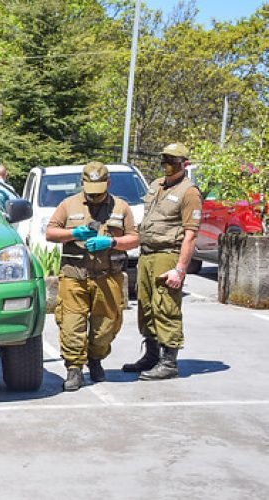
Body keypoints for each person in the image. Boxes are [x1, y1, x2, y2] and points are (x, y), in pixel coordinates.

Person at [46, 161, 139, 391]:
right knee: (71, 325)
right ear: (82, 183)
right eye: (90, 191)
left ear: (108, 183)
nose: (95, 196)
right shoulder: (68, 205)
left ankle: (95, 359)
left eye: (99, 190)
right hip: (74, 276)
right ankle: (74, 369)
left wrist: (112, 242)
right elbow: (50, 232)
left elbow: (135, 239)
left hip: (108, 277)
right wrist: (72, 233)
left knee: (105, 328)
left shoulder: (121, 207)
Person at [122, 143, 202, 380]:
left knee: (166, 306)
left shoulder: (189, 192)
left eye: (173, 163)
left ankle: (169, 363)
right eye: (164, 162)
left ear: (183, 164)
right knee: (146, 306)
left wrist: (180, 269)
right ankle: (151, 355)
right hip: (147, 255)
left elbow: (191, 234)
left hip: (168, 255)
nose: (167, 167)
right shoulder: (157, 185)